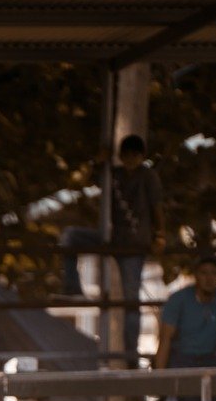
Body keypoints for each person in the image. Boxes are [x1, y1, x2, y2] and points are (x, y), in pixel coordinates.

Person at [60, 134, 166, 366]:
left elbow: (157, 205)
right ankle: (73, 286)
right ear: (121, 156)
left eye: (135, 156)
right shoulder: (113, 175)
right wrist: (98, 161)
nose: (130, 161)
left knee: (131, 301)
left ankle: (131, 354)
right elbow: (91, 180)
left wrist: (159, 235)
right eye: (126, 156)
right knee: (70, 236)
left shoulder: (147, 176)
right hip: (112, 237)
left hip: (134, 244)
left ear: (141, 157)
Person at [154, 253, 216, 370]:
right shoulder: (178, 299)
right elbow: (165, 339)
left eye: (214, 273)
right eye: (204, 273)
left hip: (210, 357)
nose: (209, 278)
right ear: (196, 275)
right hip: (181, 357)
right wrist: (160, 375)